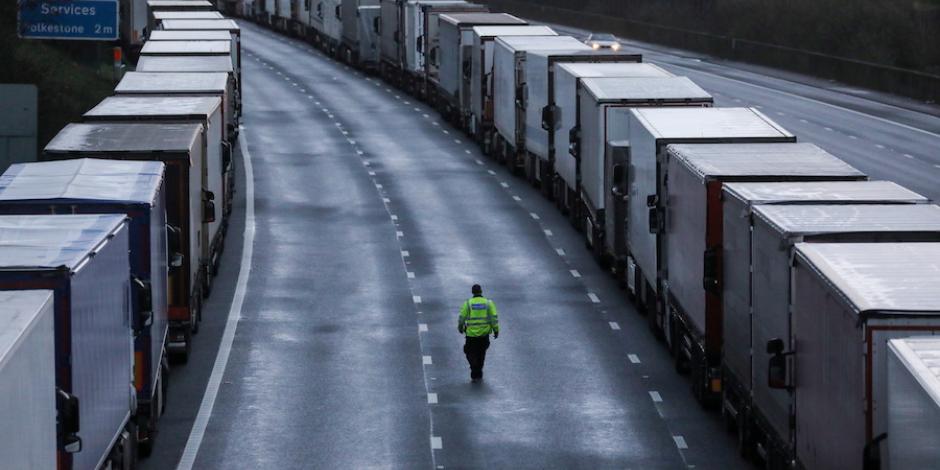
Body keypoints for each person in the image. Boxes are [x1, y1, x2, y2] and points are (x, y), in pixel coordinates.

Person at [458, 284, 499, 383]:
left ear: (472, 292)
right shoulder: (488, 303)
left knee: (469, 352)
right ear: (481, 291)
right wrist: (496, 330)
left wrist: (460, 328)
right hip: (484, 335)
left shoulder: (468, 303)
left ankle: (474, 368)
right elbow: (493, 317)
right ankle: (478, 371)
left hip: (471, 335)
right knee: (481, 353)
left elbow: (462, 318)